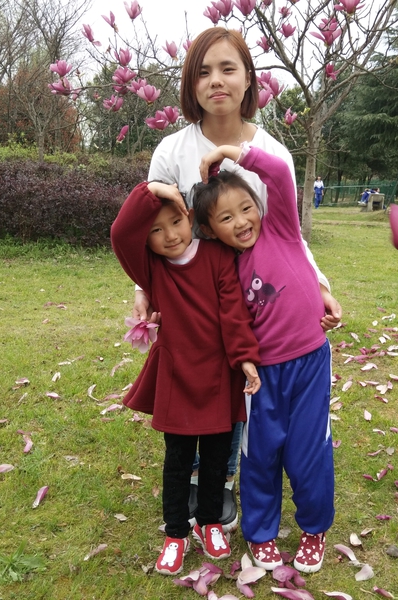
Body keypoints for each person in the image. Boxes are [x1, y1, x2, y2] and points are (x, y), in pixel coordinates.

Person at [133, 27, 342, 535]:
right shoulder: (171, 151)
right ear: (191, 84)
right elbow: (150, 228)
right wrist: (143, 289)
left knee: (236, 381)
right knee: (193, 376)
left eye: (228, 69)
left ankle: (221, 477)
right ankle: (194, 476)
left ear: (249, 78)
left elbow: (289, 233)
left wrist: (318, 284)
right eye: (203, 72)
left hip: (251, 294)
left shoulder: (272, 152)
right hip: (189, 296)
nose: (216, 81)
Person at [193, 143, 335, 574]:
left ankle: (314, 529)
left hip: (310, 363)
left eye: (246, 208)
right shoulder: (223, 268)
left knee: (310, 450)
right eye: (226, 218)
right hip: (262, 376)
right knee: (261, 453)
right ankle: (260, 533)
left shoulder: (282, 229)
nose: (241, 222)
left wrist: (231, 152)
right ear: (210, 230)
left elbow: (278, 172)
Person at [111, 181, 262, 576]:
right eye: (156, 230)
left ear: (190, 218)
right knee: (177, 462)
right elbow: (120, 233)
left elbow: (233, 313)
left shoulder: (217, 255)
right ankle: (176, 532)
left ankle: (209, 522)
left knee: (215, 460)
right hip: (177, 378)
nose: (170, 235)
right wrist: (152, 189)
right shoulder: (152, 267)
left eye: (176, 222)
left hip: (219, 376)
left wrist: (245, 358)